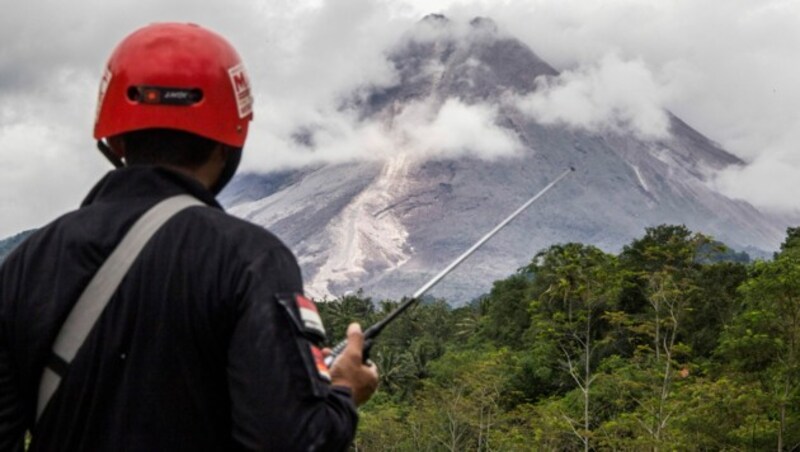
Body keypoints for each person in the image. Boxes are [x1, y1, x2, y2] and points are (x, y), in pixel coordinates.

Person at [0, 23, 378, 451]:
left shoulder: (26, 264)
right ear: (232, 138)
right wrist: (343, 393)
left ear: (115, 138)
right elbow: (287, 440)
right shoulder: (251, 260)